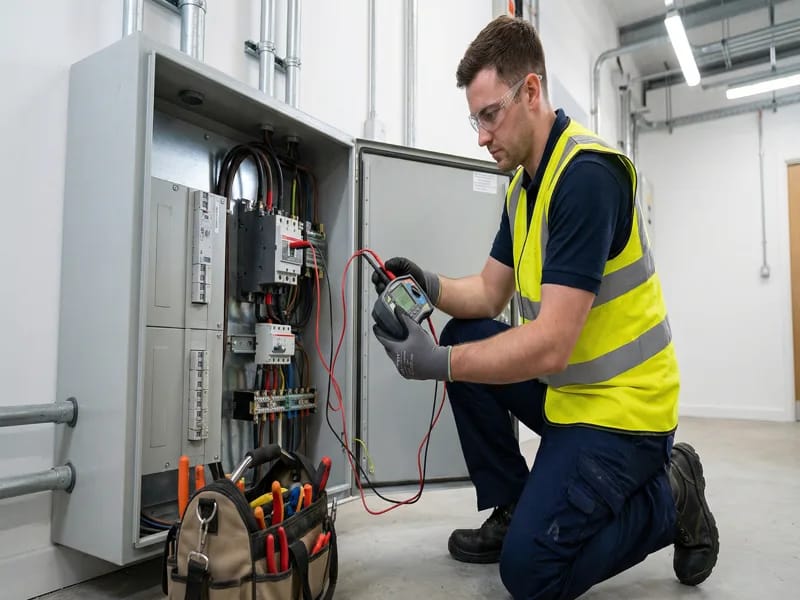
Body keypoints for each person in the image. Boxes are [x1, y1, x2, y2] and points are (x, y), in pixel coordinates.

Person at [371, 15, 719, 600]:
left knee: (531, 574)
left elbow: (552, 343)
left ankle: (673, 491)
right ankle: (513, 505)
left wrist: (438, 365)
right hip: (569, 398)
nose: (481, 136)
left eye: (489, 115)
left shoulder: (586, 178)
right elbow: (489, 293)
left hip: (625, 414)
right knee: (462, 333)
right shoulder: (523, 187)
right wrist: (426, 283)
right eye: (475, 119)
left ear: (531, 91)